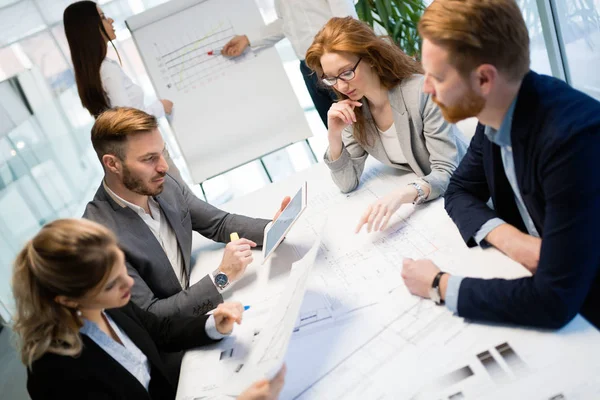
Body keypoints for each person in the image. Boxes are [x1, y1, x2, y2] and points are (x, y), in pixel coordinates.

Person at [401, 0, 600, 329]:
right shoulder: (493, 113)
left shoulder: (572, 141)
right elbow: (460, 190)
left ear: (483, 80)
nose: (426, 87)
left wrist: (439, 284)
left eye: (436, 76)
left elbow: (554, 302)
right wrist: (513, 241)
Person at [12, 218, 286, 399]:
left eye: (122, 267)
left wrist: (213, 324)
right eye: (111, 284)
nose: (129, 283)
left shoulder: (108, 304)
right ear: (68, 300)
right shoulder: (54, 377)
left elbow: (158, 330)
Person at [83, 107, 290, 319]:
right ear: (113, 164)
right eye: (149, 159)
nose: (163, 167)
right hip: (178, 338)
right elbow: (153, 316)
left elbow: (219, 224)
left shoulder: (163, 185)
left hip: (203, 308)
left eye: (162, 153)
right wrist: (223, 276)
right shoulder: (98, 238)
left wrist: (273, 229)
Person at [305, 17, 468, 233]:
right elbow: (347, 183)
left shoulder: (421, 92)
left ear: (370, 58)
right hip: (431, 203)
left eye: (347, 72)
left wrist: (402, 195)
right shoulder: (355, 109)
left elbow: (448, 171)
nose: (342, 86)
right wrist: (334, 136)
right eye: (332, 78)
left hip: (466, 189)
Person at [63, 1, 183, 183]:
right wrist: (160, 107)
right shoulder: (107, 71)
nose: (110, 20)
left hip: (139, 156)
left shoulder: (95, 73)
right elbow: (128, 122)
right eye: (103, 17)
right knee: (185, 204)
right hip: (148, 154)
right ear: (89, 28)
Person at [222, 0, 357, 128]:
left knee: (358, 123)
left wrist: (345, 58)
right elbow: (286, 23)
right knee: (336, 130)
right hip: (308, 68)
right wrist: (247, 39)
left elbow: (346, 19)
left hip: (335, 61)